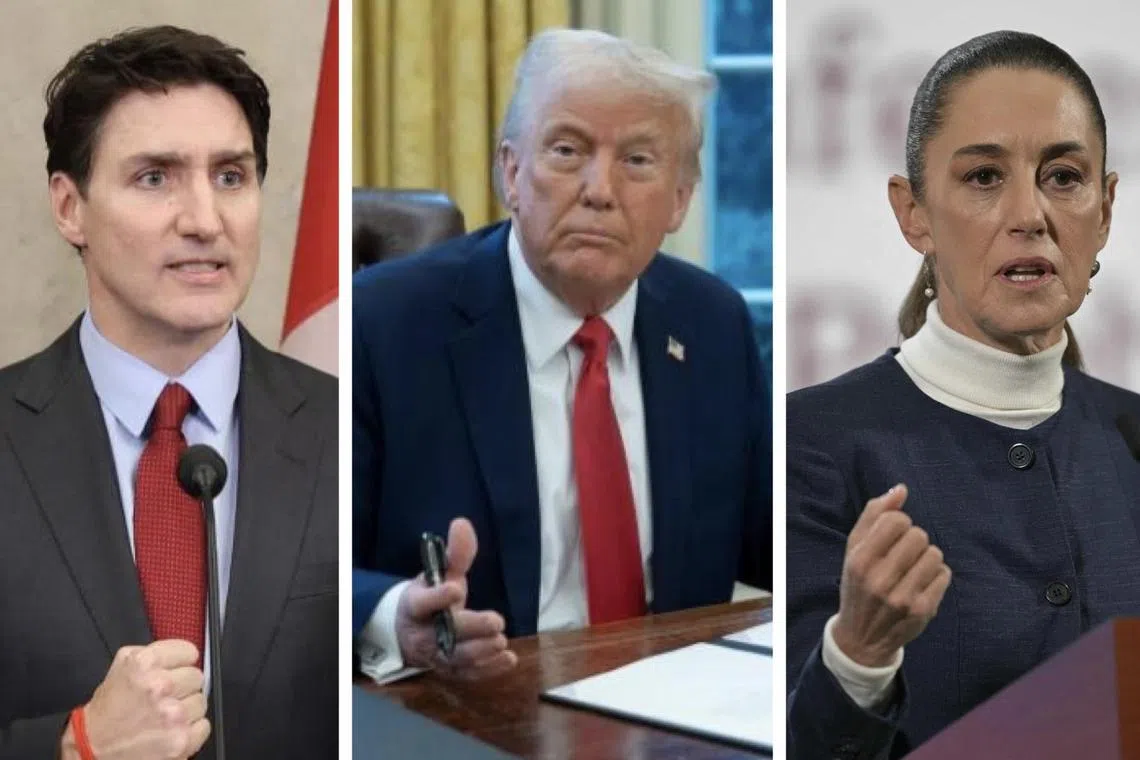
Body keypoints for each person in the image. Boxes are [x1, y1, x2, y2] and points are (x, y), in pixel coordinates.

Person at [353, 27, 771, 683]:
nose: (599, 189)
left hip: (673, 707)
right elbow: (308, 569)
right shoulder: (383, 324)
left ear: (680, 200)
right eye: (568, 150)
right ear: (512, 173)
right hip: (468, 706)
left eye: (638, 160)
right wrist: (391, 616)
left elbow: (777, 545)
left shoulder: (712, 324)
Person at [786, 30, 1137, 758]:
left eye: (1063, 176)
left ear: (1104, 210)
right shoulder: (812, 444)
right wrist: (858, 656)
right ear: (913, 213)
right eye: (983, 177)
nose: (1029, 214)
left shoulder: (1129, 430)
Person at [0, 27, 337, 759]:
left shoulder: (344, 429)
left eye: (231, 176)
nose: (205, 221)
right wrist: (72, 745)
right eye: (155, 177)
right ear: (70, 207)